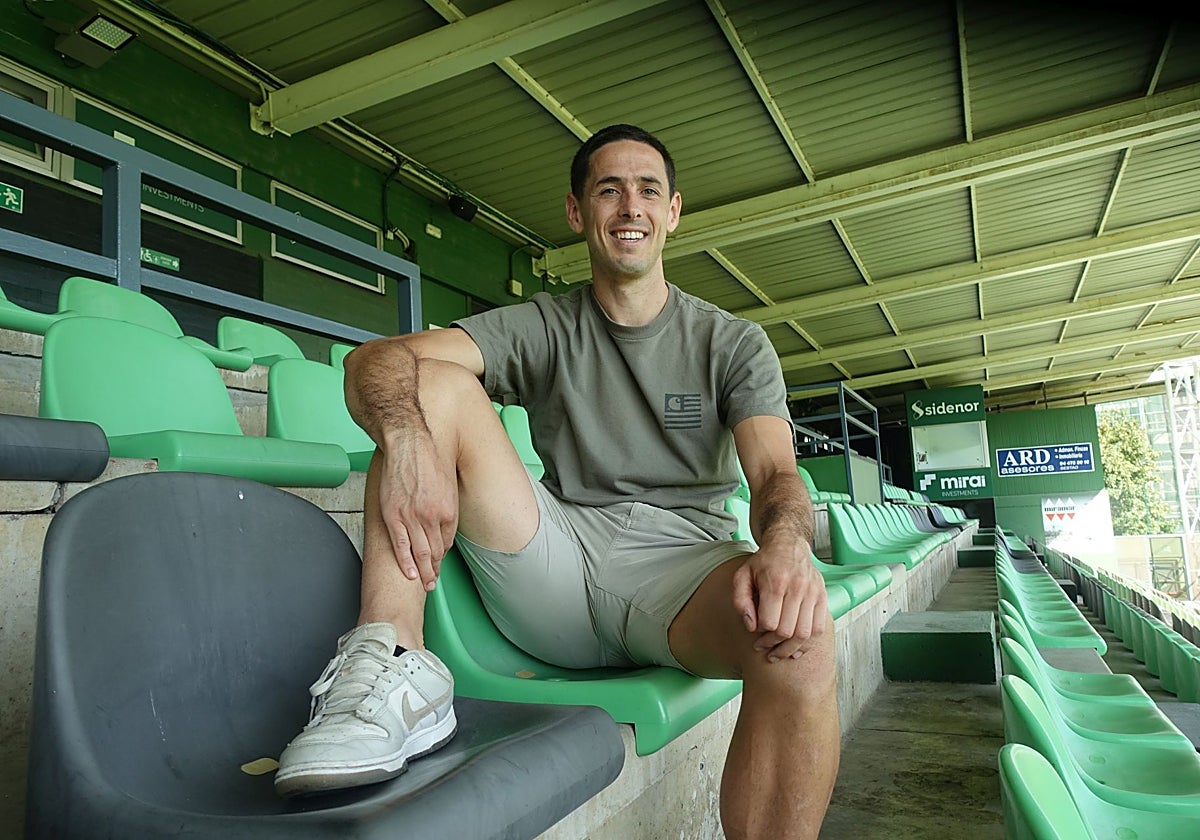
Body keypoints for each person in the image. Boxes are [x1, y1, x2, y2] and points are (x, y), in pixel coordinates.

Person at [274, 124, 840, 839]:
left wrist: (787, 546)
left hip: (684, 576)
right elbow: (375, 360)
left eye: (648, 191)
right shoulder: (546, 325)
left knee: (802, 639)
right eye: (609, 190)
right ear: (578, 213)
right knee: (431, 389)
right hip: (557, 564)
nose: (629, 206)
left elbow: (775, 476)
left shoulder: (730, 342)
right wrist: (410, 439)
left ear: (672, 213)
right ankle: (392, 661)